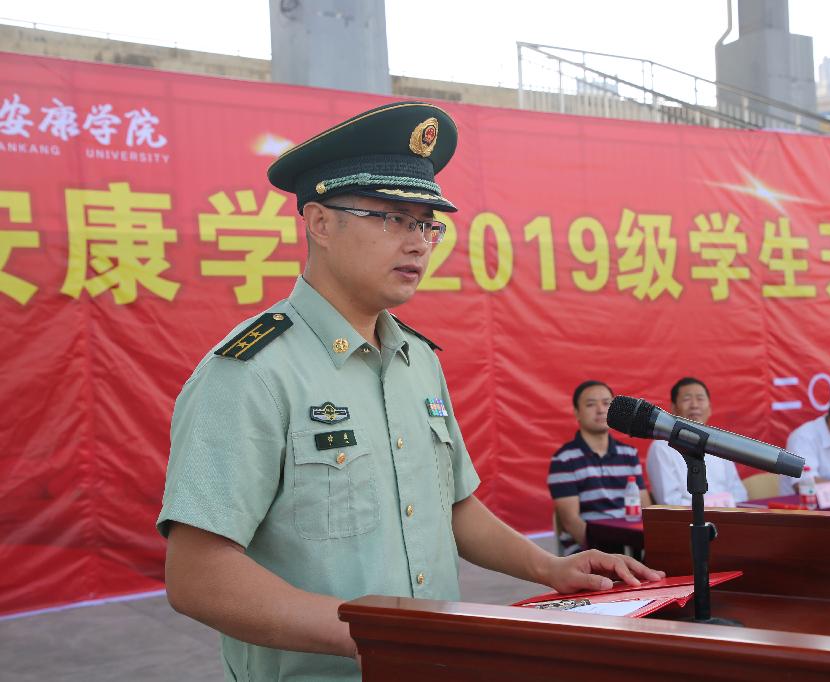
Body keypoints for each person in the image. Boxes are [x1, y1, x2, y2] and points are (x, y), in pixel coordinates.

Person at [157, 102, 663, 682]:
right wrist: (371, 637)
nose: (419, 243)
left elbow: (452, 507)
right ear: (319, 223)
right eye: (393, 218)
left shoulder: (416, 359)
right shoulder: (253, 372)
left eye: (427, 224)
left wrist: (552, 569)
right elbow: (197, 575)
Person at [547, 380, 653, 555]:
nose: (601, 410)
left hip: (630, 544)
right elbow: (571, 521)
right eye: (591, 404)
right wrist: (604, 555)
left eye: (606, 403)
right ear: (577, 413)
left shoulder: (628, 454)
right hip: (587, 550)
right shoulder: (564, 460)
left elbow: (646, 509)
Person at [645, 377, 748, 506]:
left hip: (727, 515)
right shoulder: (661, 447)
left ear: (710, 408)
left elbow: (739, 493)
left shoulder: (720, 444)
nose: (694, 405)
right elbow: (669, 502)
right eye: (686, 399)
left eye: (700, 399)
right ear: (673, 408)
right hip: (688, 518)